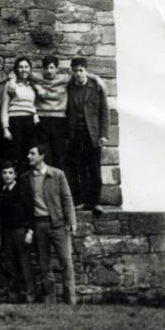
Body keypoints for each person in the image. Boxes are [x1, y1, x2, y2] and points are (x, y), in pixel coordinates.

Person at [25, 143, 77, 304]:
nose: (29, 156)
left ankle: (71, 300)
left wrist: (71, 220)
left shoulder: (57, 174)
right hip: (39, 224)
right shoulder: (26, 178)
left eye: (32, 153)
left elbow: (67, 198)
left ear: (42, 156)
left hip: (58, 224)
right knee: (43, 264)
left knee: (66, 261)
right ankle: (50, 300)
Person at [65, 58, 110, 214]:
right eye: (75, 71)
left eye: (81, 70)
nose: (78, 74)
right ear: (72, 71)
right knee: (79, 169)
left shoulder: (96, 87)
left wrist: (103, 135)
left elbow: (104, 112)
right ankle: (83, 201)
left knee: (94, 170)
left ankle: (96, 202)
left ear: (86, 70)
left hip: (92, 135)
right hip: (75, 134)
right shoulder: (69, 88)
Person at [0, 160, 35, 303]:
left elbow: (30, 209)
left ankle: (29, 295)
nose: (7, 176)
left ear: (15, 175)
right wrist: (0, 235)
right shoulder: (2, 191)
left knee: (24, 263)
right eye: (5, 173)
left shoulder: (21, 188)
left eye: (10, 173)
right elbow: (0, 215)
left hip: (21, 230)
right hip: (7, 232)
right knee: (11, 263)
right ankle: (14, 294)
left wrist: (30, 231)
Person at [1, 56, 39, 170]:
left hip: (29, 122)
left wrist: (35, 117)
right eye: (21, 67)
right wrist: (5, 128)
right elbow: (4, 106)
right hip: (15, 121)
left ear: (30, 69)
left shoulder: (31, 85)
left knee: (29, 155)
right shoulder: (11, 85)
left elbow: (33, 105)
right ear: (16, 69)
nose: (24, 69)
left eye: (26, 67)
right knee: (15, 155)